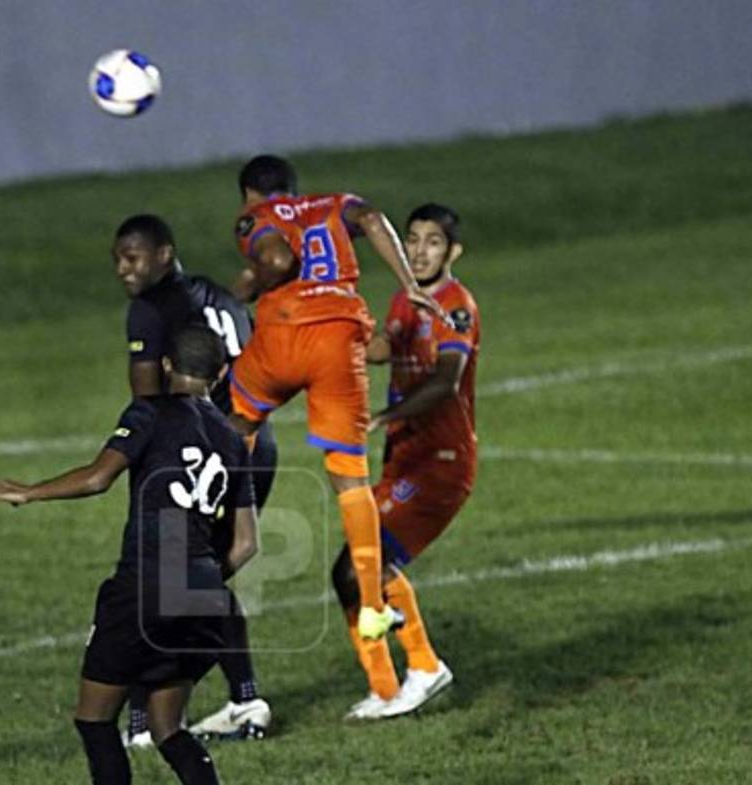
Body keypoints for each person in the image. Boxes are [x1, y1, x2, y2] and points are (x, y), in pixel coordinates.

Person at [0, 325, 259, 785]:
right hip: (206, 598)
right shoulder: (234, 439)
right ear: (222, 373)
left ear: (167, 365)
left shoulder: (151, 412)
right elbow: (247, 543)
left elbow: (98, 478)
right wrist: (199, 577)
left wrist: (31, 493)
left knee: (95, 721)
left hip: (144, 589)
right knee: (169, 728)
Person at [227, 155, 451, 650]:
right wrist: (410, 287)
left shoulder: (254, 218)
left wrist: (242, 288)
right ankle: (373, 604)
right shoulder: (335, 204)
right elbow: (371, 219)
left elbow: (277, 261)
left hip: (284, 333)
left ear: (250, 194)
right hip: (340, 341)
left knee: (233, 419)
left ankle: (221, 533)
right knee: (350, 477)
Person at [113, 213, 276, 744]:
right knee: (198, 580)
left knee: (159, 581)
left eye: (132, 257)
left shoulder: (149, 310)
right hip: (251, 446)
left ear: (163, 253)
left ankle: (145, 723)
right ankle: (245, 700)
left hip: (190, 453)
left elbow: (149, 401)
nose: (122, 269)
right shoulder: (218, 296)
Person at [335, 203, 480, 719]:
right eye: (413, 239)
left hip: (440, 464)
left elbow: (446, 380)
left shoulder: (456, 306)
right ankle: (386, 689)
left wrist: (383, 415)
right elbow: (379, 348)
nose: (419, 250)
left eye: (432, 242)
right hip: (406, 459)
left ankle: (423, 667)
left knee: (365, 566)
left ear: (453, 251)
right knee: (348, 572)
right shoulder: (403, 298)